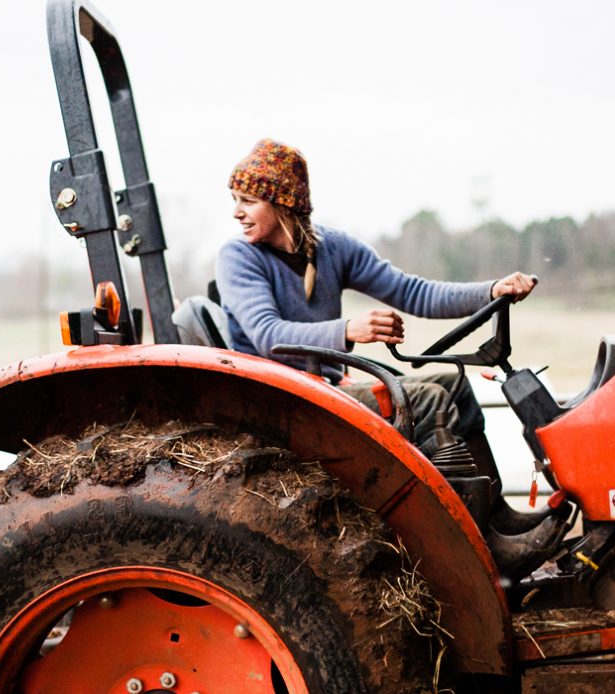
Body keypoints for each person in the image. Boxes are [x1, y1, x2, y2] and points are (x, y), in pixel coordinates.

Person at [215, 139, 569, 574]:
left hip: (327, 387)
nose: (236, 212)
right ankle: (476, 547)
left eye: (247, 201)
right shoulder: (238, 258)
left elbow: (412, 292)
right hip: (289, 397)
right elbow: (269, 336)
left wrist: (490, 291)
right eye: (236, 200)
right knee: (427, 399)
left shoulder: (331, 249)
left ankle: (496, 511)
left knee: (454, 385)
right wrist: (348, 330)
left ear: (282, 203)